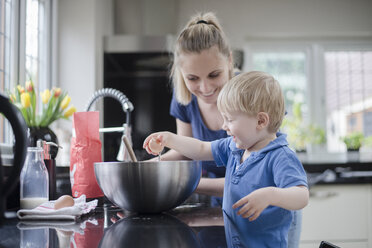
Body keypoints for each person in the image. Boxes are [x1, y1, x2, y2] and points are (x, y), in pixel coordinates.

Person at [158, 12, 303, 247]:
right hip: (231, 208)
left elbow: (282, 186)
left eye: (214, 74)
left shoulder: (254, 100)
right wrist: (162, 153)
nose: (204, 88)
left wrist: (186, 184)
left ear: (229, 61)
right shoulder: (232, 144)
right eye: (193, 78)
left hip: (267, 214)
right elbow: (196, 148)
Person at [144, 71, 309, 247]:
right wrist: (170, 139)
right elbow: (201, 148)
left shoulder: (280, 156)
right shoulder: (234, 147)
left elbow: (301, 195)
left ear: (260, 121)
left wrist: (269, 195)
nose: (224, 126)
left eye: (230, 119)